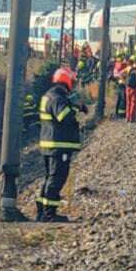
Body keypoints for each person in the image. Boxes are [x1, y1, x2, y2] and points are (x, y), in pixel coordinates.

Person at [37, 66, 84, 221]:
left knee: (50, 178)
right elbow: (64, 117)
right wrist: (75, 110)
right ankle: (49, 215)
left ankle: (42, 213)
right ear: (66, 80)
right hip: (58, 145)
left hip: (50, 144)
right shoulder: (57, 98)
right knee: (57, 178)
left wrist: (73, 104)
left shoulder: (50, 96)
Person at [124, 54, 136, 123]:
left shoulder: (128, 68)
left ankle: (127, 118)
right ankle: (132, 118)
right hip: (135, 87)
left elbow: (120, 74)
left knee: (128, 103)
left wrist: (125, 82)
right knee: (133, 103)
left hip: (128, 87)